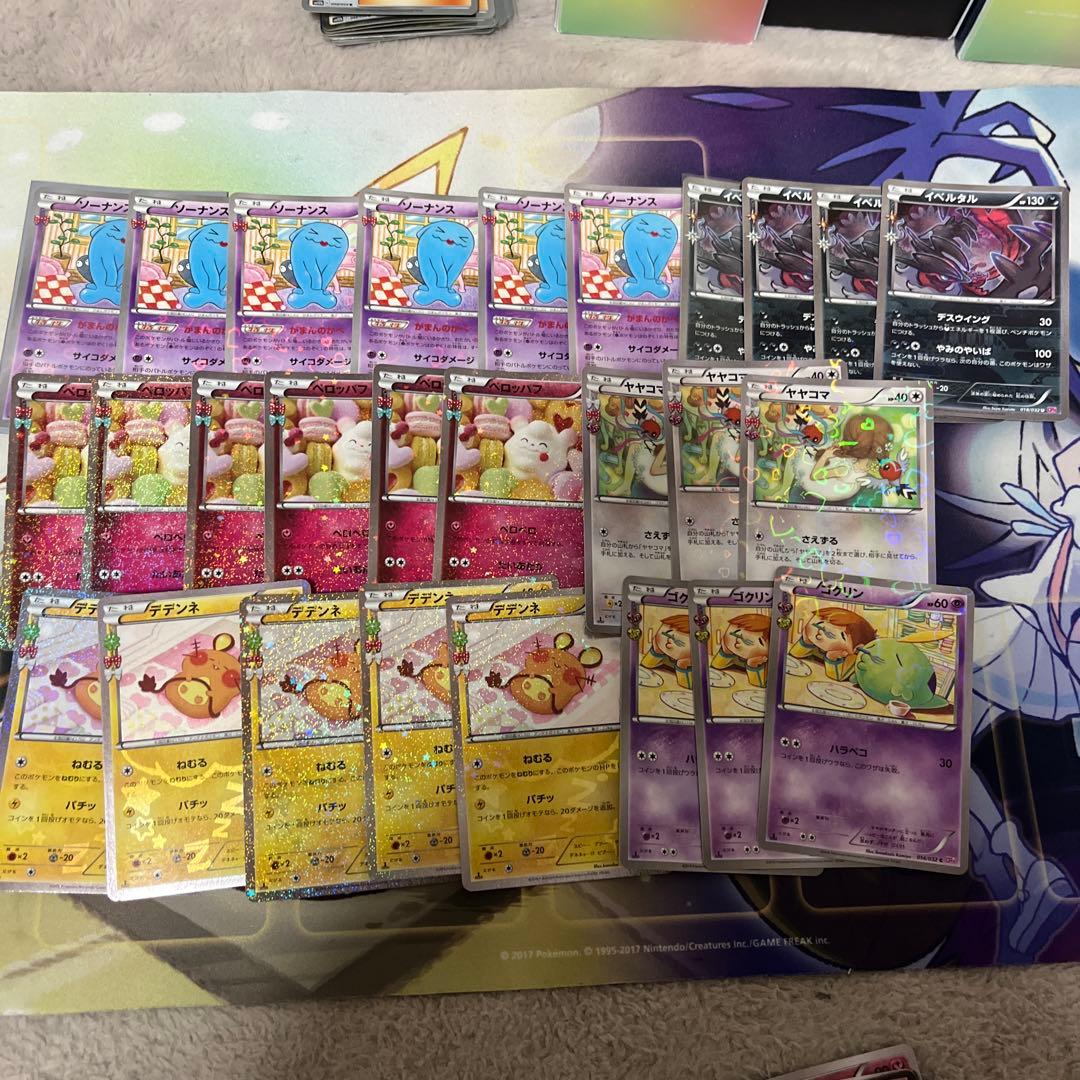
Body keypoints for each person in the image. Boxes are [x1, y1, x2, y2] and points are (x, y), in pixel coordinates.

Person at [789, 605, 876, 681]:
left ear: (856, 648)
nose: (820, 632)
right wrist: (806, 640)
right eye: (818, 624)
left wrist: (832, 658)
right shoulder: (817, 643)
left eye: (841, 635)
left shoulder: (852, 658)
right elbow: (794, 656)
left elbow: (836, 678)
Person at [710, 612, 771, 688]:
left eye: (760, 641)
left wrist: (752, 665)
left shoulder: (763, 661)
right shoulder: (734, 654)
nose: (738, 640)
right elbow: (716, 666)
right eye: (735, 632)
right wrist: (726, 652)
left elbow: (758, 684)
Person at [640, 611, 692, 689]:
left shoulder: (692, 662)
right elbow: (645, 666)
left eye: (679, 641)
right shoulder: (664, 654)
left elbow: (688, 687)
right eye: (666, 633)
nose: (668, 641)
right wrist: (656, 650)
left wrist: (682, 666)